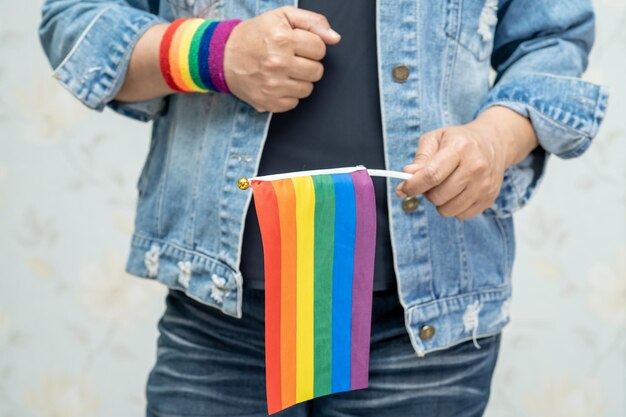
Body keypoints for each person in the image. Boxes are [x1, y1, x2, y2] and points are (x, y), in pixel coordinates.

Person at [39, 1, 607, 416]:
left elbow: (550, 41)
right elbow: (76, 19)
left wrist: (494, 139)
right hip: (219, 321)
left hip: (426, 331)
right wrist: (214, 53)